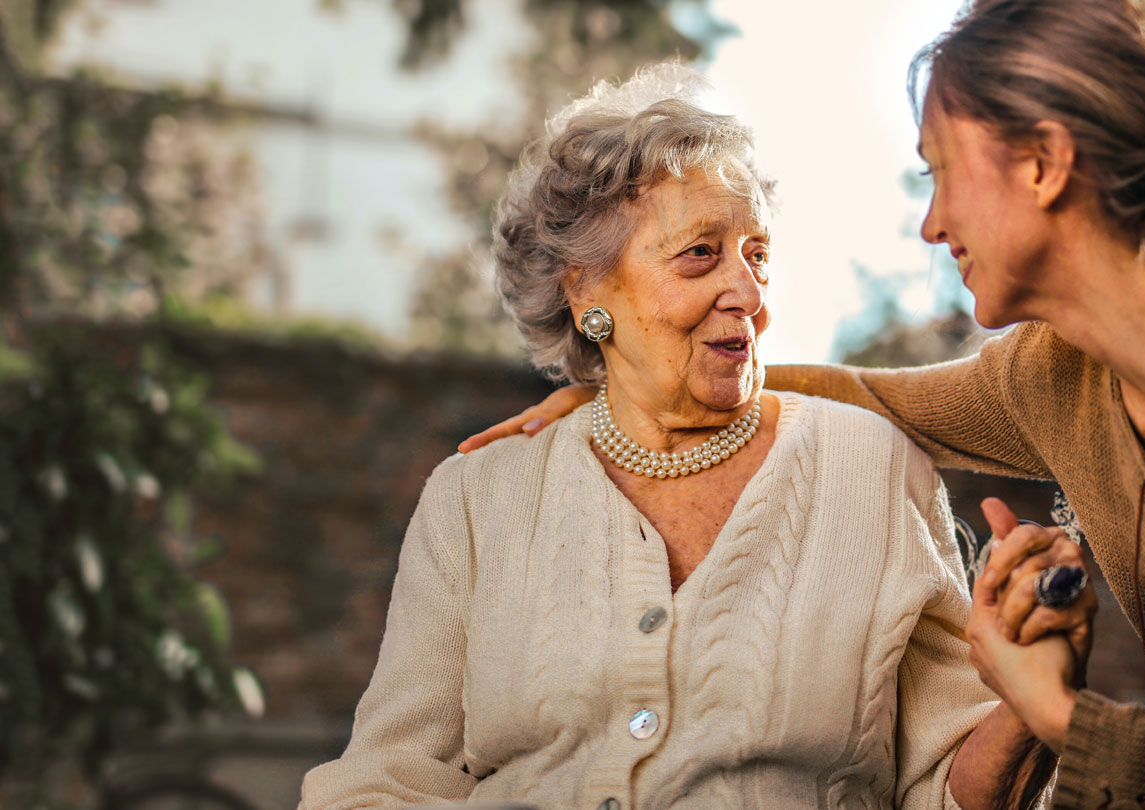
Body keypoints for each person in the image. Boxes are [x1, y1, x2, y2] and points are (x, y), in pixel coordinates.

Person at [460, 2, 1145, 808]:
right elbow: (869, 396)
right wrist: (625, 392)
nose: (931, 224)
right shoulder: (1063, 372)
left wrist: (1063, 721)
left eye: (940, 172)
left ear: (1044, 163)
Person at [301, 64, 1090, 810]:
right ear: (587, 291)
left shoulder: (873, 469)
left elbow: (948, 789)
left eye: (758, 256)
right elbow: (388, 781)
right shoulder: (477, 498)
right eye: (701, 255)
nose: (747, 293)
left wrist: (1028, 707)